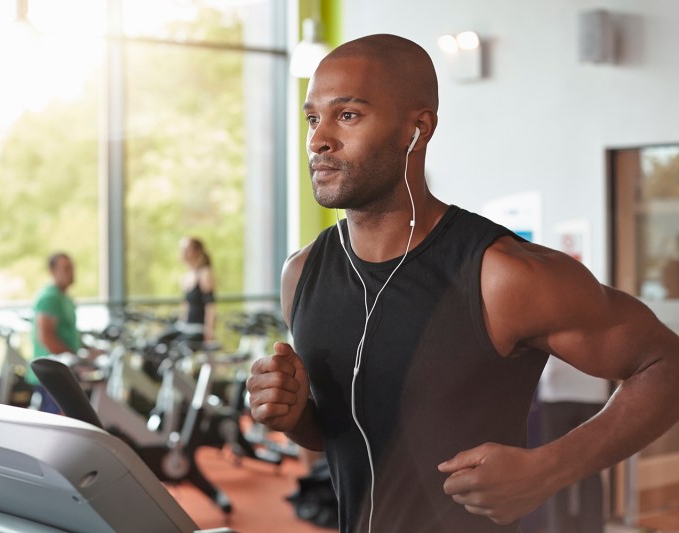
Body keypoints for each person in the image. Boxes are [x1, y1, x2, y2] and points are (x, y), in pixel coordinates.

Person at [246, 33, 679, 533]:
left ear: (417, 128)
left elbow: (666, 364)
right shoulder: (301, 274)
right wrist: (294, 415)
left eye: (347, 116)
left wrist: (549, 468)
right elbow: (344, 433)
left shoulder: (502, 275)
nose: (319, 139)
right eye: (312, 118)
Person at [537, 357, 609, 533]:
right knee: (592, 468)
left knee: (554, 468)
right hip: (594, 386)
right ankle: (593, 529)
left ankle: (557, 528)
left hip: (556, 386)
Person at [29, 252, 101, 413]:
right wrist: (78, 357)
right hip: (52, 375)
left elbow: (69, 332)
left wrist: (88, 350)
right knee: (56, 428)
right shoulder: (49, 298)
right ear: (53, 271)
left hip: (66, 372)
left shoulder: (65, 298)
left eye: (72, 268)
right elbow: (46, 337)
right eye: (66, 268)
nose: (71, 272)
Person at [158, 236, 217, 345]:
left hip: (198, 329)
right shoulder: (185, 277)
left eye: (186, 250)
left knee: (177, 347)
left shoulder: (205, 275)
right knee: (158, 342)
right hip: (184, 326)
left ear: (197, 252)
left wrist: (209, 333)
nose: (182, 253)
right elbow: (185, 305)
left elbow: (210, 307)